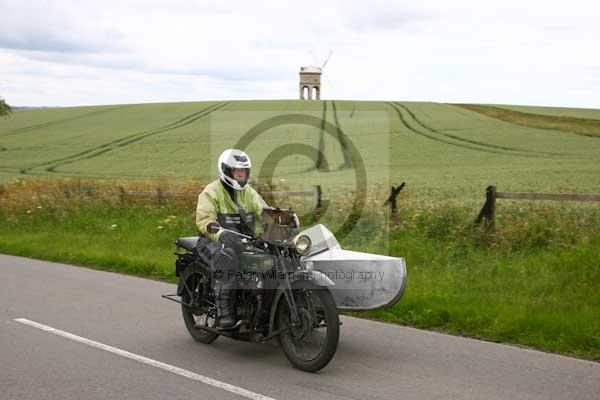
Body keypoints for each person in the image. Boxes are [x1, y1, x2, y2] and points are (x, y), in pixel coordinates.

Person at [195, 149, 268, 330]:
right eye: (237, 172)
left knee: (270, 261)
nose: (241, 175)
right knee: (227, 261)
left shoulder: (249, 193)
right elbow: (204, 220)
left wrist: (283, 221)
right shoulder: (211, 192)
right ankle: (225, 313)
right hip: (212, 241)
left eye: (244, 172)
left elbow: (265, 212)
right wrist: (221, 234)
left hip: (242, 242)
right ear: (226, 172)